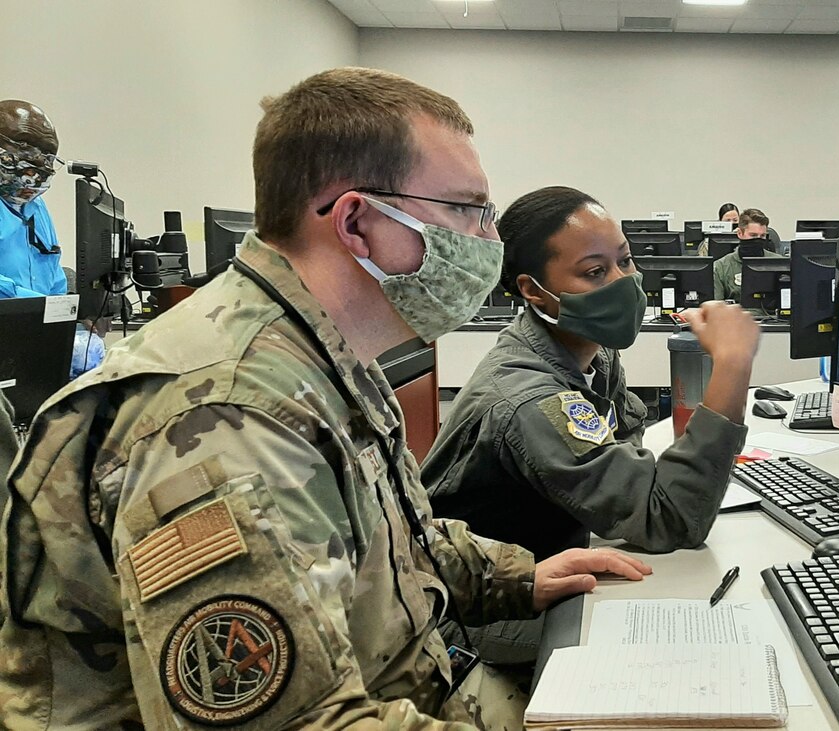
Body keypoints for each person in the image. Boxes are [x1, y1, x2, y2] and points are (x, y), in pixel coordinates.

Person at [0, 68, 651, 729]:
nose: (488, 239)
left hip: (423, 683)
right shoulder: (226, 418)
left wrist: (521, 575)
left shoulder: (327, 354)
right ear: (357, 221)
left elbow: (395, 545)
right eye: (466, 210)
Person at [422, 186, 759, 659]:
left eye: (625, 261)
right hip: (474, 614)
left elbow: (631, 468)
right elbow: (670, 518)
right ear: (532, 290)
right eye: (595, 272)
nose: (623, 282)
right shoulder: (532, 397)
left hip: (554, 556)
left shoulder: (591, 352)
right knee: (665, 641)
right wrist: (732, 365)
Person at [0, 100, 67, 299]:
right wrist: (32, 303)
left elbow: (54, 273)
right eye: (25, 148)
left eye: (47, 156)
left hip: (32, 324)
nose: (38, 162)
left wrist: (68, 310)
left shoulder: (35, 207)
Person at [713, 207, 784, 301]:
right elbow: (716, 308)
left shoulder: (779, 263)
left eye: (762, 236)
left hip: (771, 314)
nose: (758, 239)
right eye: (753, 235)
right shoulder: (721, 267)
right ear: (739, 233)